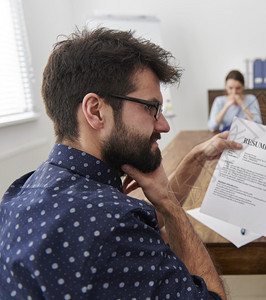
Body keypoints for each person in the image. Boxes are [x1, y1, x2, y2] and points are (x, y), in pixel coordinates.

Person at [0, 27, 243, 299]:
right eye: (150, 108)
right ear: (96, 111)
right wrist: (171, 205)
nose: (163, 125)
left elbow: (149, 220)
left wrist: (195, 159)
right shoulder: (113, 224)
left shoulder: (21, 192)